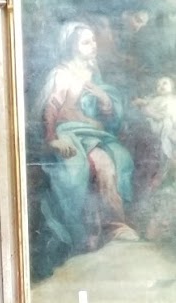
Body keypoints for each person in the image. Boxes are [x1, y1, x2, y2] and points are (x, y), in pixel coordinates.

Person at [36, 21, 137, 273]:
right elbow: (50, 109)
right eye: (86, 42)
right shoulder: (61, 73)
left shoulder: (94, 73)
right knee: (93, 165)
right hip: (68, 134)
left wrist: (104, 100)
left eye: (93, 41)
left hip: (93, 133)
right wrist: (52, 139)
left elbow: (108, 112)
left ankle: (106, 227)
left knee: (121, 158)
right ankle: (101, 229)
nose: (93, 46)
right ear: (71, 46)